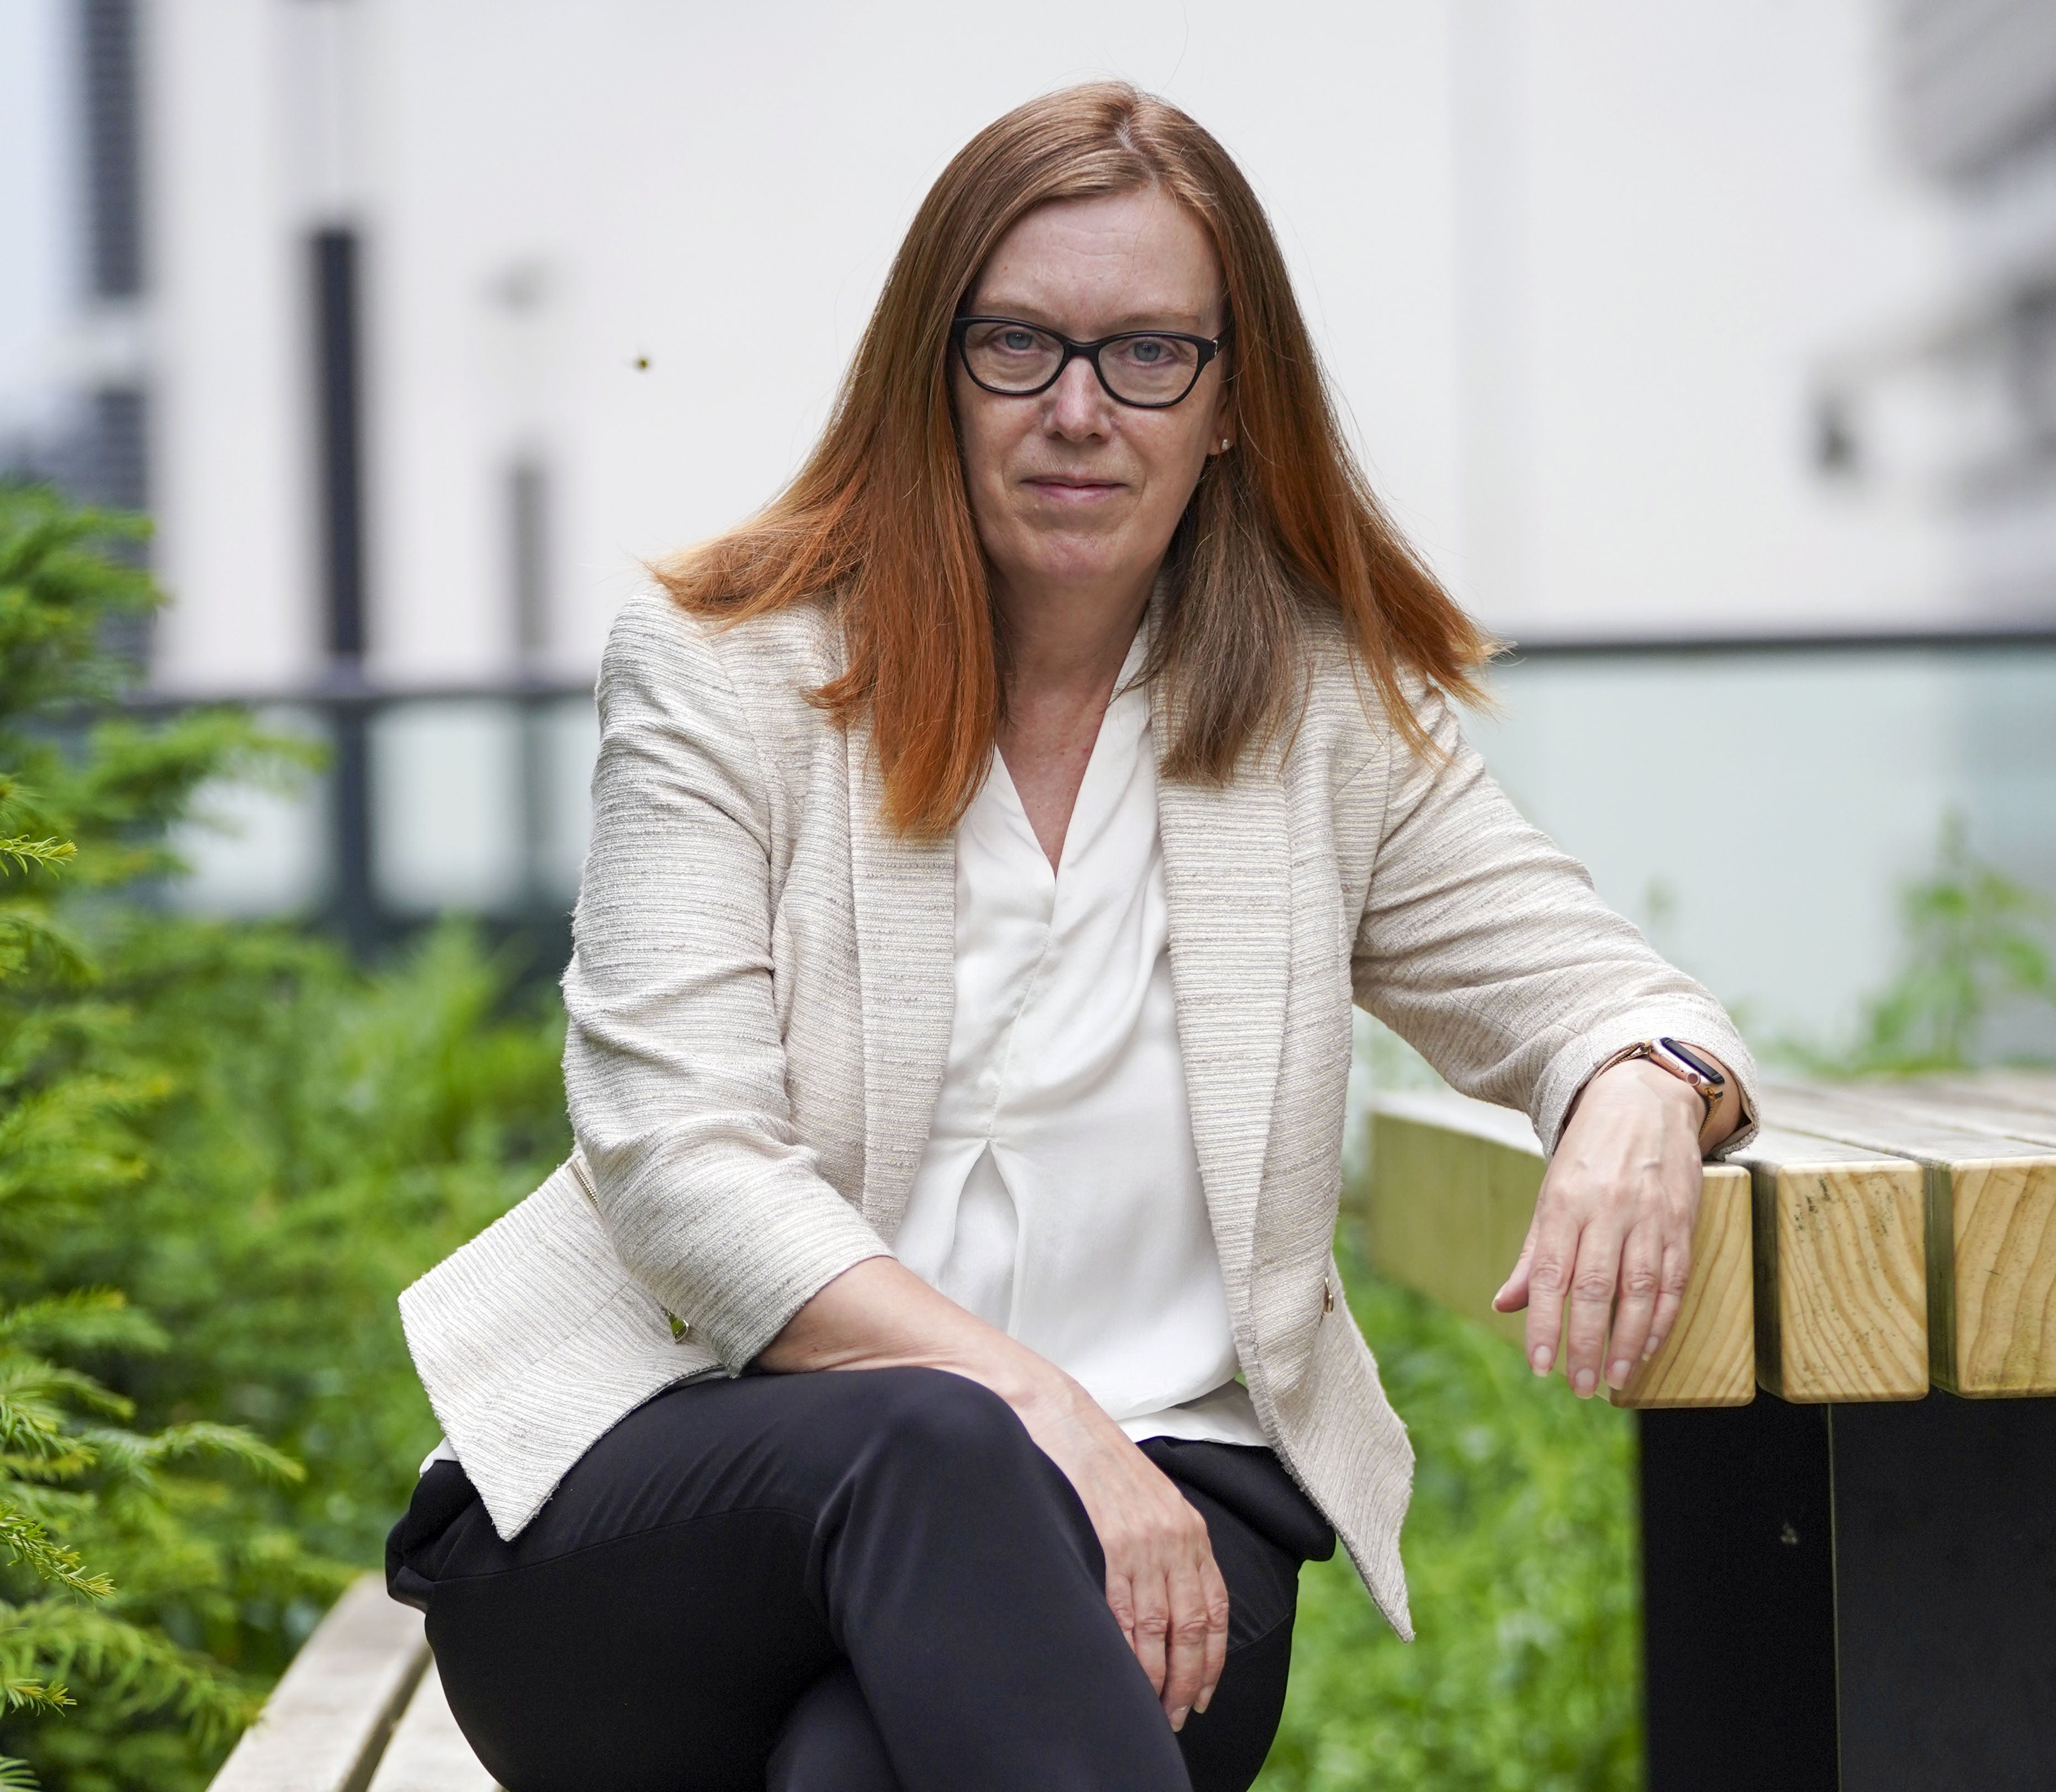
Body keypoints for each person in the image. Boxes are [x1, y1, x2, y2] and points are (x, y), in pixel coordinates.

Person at [386, 82, 1756, 1792]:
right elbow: (677, 1160)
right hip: (682, 1519)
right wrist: (1043, 1413)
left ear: (1231, 398)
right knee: (930, 1447)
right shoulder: (727, 670)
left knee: (859, 1771)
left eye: (1148, 356)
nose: (1080, 413)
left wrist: (1643, 1086)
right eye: (1018, 346)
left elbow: (1601, 993)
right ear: (933, 374)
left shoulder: (1322, 718)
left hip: (1171, 1548)